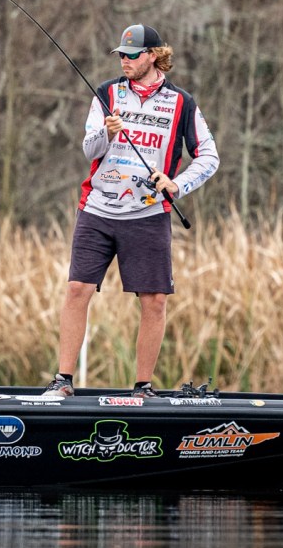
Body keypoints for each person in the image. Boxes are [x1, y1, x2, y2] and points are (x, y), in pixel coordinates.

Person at [44, 24, 219, 398]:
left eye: (132, 55)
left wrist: (177, 185)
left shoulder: (182, 103)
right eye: (121, 55)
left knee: (154, 301)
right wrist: (106, 133)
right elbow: (89, 150)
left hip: (148, 214)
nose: (124, 60)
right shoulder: (107, 93)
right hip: (98, 208)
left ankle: (143, 387)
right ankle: (62, 381)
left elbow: (209, 156)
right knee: (77, 288)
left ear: (153, 56)